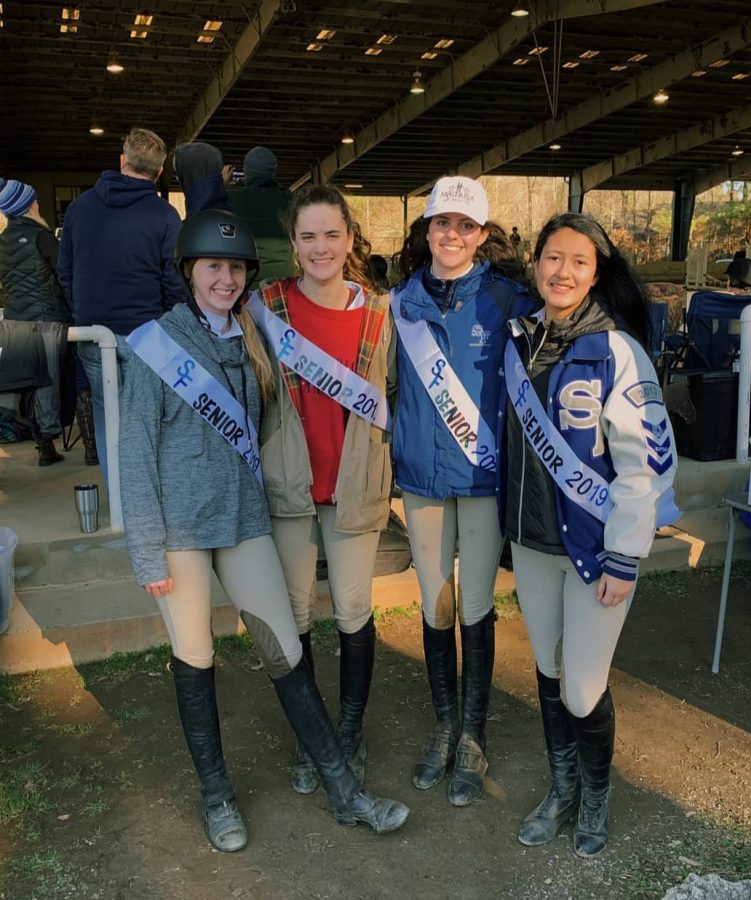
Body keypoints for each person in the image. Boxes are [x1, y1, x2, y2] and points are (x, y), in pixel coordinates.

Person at [119, 209, 408, 854]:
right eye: (213, 266)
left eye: (235, 268)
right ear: (189, 271)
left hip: (245, 520)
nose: (225, 278)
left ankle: (343, 791)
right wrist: (145, 549)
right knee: (196, 657)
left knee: (286, 648)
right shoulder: (155, 343)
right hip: (180, 534)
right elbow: (134, 453)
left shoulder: (252, 334)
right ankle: (217, 793)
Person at [501, 212, 679, 858]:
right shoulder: (518, 339)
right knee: (547, 668)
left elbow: (643, 467)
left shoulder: (618, 352)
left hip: (595, 550)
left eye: (578, 261)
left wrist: (625, 556)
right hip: (531, 540)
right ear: (536, 263)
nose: (562, 271)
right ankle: (563, 789)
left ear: (596, 272)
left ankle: (597, 796)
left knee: (582, 685)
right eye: (552, 257)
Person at [390, 176, 532, 807]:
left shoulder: (509, 300)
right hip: (421, 477)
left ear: (482, 233)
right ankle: (444, 725)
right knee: (433, 604)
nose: (452, 235)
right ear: (426, 231)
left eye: (464, 226)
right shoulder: (397, 304)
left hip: (480, 478)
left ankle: (474, 734)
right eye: (441, 223)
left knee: (475, 604)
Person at [249, 185, 392, 796]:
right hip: (291, 485)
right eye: (308, 236)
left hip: (355, 484)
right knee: (298, 612)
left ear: (351, 239)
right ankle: (317, 741)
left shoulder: (380, 315)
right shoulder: (265, 306)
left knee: (354, 611)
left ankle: (351, 733)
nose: (320, 247)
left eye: (332, 234)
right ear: (294, 243)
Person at [58, 127, 190, 483]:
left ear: (122, 160)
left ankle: (119, 497)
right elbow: (174, 282)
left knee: (106, 414)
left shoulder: (78, 208)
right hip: (148, 334)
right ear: (159, 172)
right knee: (153, 417)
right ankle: (149, 496)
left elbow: (65, 271)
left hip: (92, 332)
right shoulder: (164, 216)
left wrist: (83, 310)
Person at [0, 179, 72, 466]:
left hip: (16, 324)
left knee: (29, 383)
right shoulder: (42, 237)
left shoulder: (2, 242)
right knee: (68, 382)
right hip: (49, 320)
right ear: (29, 206)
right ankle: (88, 447)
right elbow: (64, 275)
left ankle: (44, 447)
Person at [227, 146, 296, 281]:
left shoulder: (234, 198)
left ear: (247, 172)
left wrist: (221, 182)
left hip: (249, 277)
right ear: (273, 171)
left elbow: (205, 204)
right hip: (285, 275)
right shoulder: (289, 199)